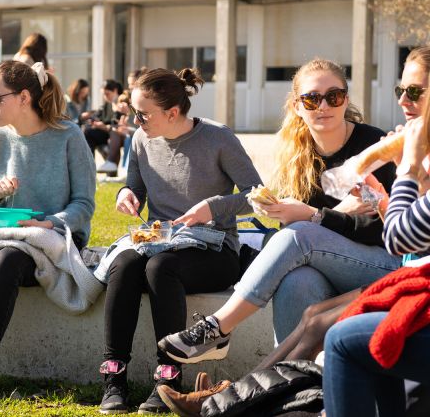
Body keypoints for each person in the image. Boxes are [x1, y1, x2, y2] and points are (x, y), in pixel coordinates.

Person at [157, 47, 430, 415]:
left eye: (334, 96)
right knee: (299, 282)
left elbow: (392, 234)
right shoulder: (296, 152)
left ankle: (218, 333)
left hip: (392, 266)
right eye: (312, 98)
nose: (324, 106)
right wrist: (262, 210)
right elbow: (277, 203)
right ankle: (264, 402)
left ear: (346, 99)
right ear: (298, 105)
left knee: (299, 236)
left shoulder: (378, 144)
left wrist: (320, 216)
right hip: (338, 263)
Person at [98, 67, 263, 415]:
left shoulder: (218, 138)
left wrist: (212, 207)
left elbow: (258, 196)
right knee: (124, 264)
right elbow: (136, 185)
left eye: (143, 114)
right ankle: (114, 376)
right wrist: (127, 194)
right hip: (161, 239)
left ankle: (168, 377)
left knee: (161, 269)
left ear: (172, 113)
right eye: (134, 113)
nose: (136, 120)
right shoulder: (141, 139)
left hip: (215, 248)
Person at [0, 60, 95, 400]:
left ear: (24, 97)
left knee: (6, 262)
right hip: (3, 232)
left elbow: (83, 205)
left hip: (51, 238)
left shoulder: (69, 136)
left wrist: (49, 222)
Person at [323, 106, 430, 417]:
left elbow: (400, 240)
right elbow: (411, 232)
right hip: (413, 281)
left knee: (338, 336)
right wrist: (380, 193)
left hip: (411, 283)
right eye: (401, 91)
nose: (404, 103)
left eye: (416, 92)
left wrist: (407, 169)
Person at [84, 79, 124, 174]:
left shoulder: (121, 103)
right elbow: (98, 115)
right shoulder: (107, 105)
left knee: (88, 133)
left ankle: (90, 166)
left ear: (115, 90)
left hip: (117, 133)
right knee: (87, 130)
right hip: (107, 133)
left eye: (107, 93)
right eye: (103, 94)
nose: (105, 96)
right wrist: (94, 122)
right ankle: (89, 165)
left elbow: (116, 124)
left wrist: (103, 126)